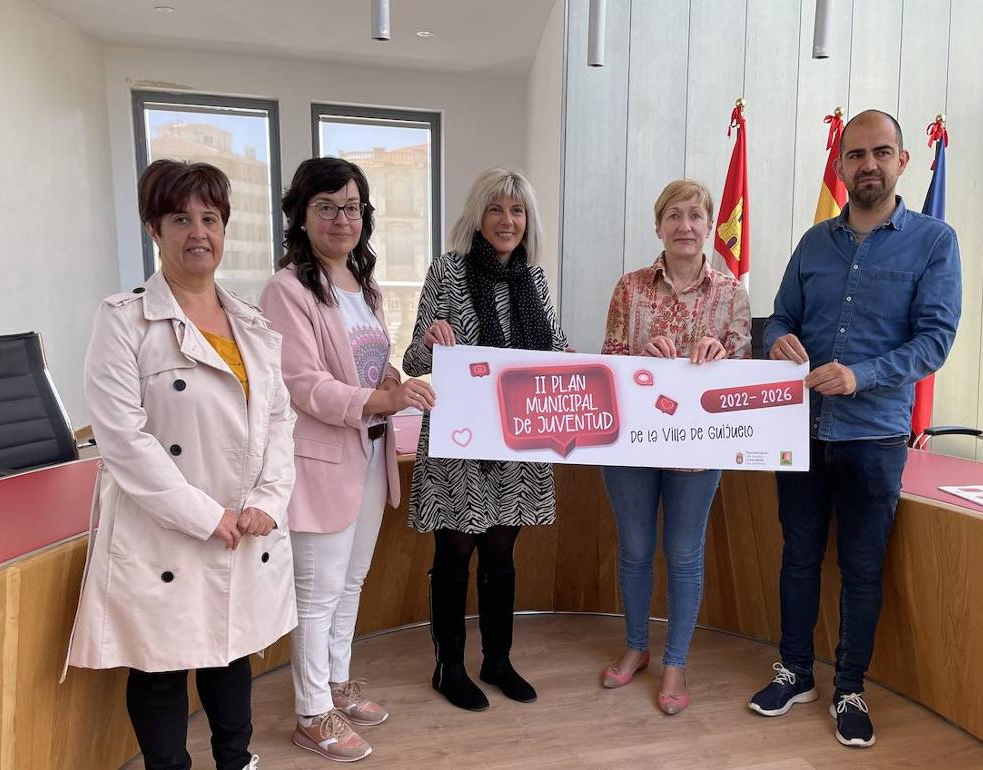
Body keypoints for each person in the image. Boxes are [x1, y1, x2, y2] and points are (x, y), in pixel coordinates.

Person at [65, 160, 297, 770]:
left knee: (231, 653)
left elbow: (280, 419)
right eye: (180, 219)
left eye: (210, 219)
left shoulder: (252, 323)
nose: (199, 233)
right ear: (154, 229)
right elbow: (123, 439)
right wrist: (204, 515)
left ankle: (236, 762)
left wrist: (268, 500)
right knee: (160, 667)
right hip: (164, 527)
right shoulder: (124, 320)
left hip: (241, 523)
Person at [748, 110, 962, 748]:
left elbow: (935, 340)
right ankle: (794, 672)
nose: (868, 164)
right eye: (856, 154)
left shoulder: (934, 241)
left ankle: (849, 688)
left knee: (862, 569)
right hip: (801, 429)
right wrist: (778, 337)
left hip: (874, 436)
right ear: (840, 165)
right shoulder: (814, 242)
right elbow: (779, 317)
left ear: (902, 161)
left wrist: (860, 376)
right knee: (798, 557)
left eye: (881, 152)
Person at [260, 158, 435, 762]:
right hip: (320, 461)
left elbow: (368, 364)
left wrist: (391, 378)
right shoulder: (287, 289)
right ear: (301, 216)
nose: (342, 219)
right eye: (327, 207)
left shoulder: (365, 286)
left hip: (371, 453)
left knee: (351, 582)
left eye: (353, 207)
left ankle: (335, 683)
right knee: (317, 593)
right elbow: (302, 383)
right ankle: (312, 714)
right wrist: (383, 399)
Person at [402, 168, 569, 712]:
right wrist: (431, 341)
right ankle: (448, 667)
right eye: (496, 209)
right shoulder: (448, 271)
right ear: (478, 216)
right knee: (455, 551)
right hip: (461, 441)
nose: (507, 220)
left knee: (501, 550)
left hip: (518, 442)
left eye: (516, 211)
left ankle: (498, 661)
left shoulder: (534, 280)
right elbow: (413, 361)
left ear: (527, 220)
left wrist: (582, 369)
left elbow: (556, 350)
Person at [599, 179, 751, 715]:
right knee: (636, 550)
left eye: (695, 216)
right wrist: (639, 355)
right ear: (658, 225)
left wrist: (722, 357)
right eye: (674, 216)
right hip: (632, 446)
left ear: (709, 225)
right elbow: (608, 361)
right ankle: (637, 647)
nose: (685, 226)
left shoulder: (731, 294)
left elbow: (744, 378)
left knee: (685, 554)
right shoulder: (630, 287)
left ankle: (676, 661)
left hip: (697, 450)